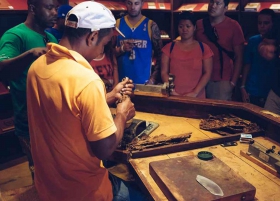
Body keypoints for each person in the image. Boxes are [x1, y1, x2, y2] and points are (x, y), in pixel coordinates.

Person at [26, 2, 140, 200]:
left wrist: (109, 96)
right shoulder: (86, 79)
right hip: (84, 191)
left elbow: (66, 111)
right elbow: (105, 149)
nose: (101, 51)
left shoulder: (37, 68)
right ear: (93, 36)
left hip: (49, 187)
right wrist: (121, 114)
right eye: (103, 44)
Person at [0, 0, 59, 180]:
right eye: (49, 8)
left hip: (54, 121)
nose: (55, 12)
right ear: (33, 8)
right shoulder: (15, 35)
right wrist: (30, 54)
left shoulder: (52, 38)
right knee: (41, 174)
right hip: (30, 124)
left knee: (57, 172)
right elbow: (2, 68)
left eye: (56, 8)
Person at [195, 0, 244, 100]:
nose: (213, 6)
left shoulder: (234, 26)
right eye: (211, 2)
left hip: (221, 80)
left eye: (218, 3)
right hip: (199, 77)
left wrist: (233, 82)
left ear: (225, 8)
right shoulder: (199, 24)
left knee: (218, 114)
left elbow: (239, 56)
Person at [161, 11, 213, 98]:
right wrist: (172, 90)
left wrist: (195, 93)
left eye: (188, 26)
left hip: (197, 97)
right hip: (173, 96)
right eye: (181, 26)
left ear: (194, 27)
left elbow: (207, 73)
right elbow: (164, 72)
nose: (184, 29)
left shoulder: (204, 48)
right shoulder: (169, 48)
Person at [115, 0, 163, 84]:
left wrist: (152, 79)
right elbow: (107, 55)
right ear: (125, 3)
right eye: (130, 3)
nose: (133, 7)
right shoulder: (117, 24)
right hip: (121, 83)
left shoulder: (151, 25)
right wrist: (122, 49)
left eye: (136, 3)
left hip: (144, 83)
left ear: (142, 4)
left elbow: (161, 56)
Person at [240, 9, 276, 107]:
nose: (262, 26)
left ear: (273, 23)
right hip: (253, 88)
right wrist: (243, 86)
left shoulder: (279, 41)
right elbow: (247, 63)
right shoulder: (253, 40)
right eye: (259, 23)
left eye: (266, 23)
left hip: (272, 90)